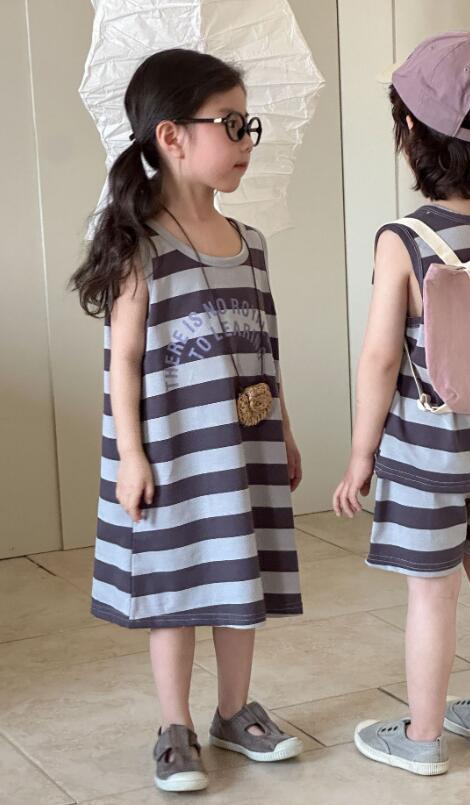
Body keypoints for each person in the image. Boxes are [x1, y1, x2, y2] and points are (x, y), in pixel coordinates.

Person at [69, 47, 304, 793]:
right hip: (173, 450)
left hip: (243, 445)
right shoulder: (140, 247)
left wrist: (285, 430)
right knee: (174, 589)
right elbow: (123, 361)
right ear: (172, 136)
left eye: (248, 124)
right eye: (230, 123)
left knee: (239, 580)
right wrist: (130, 455)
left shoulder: (251, 244)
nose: (245, 139)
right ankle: (175, 726)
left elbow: (265, 353)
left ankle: (235, 712)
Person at [333, 31, 470, 776]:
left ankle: (422, 737)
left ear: (411, 130)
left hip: (430, 453)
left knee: (432, 596)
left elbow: (380, 358)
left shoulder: (406, 239)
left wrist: (361, 456)